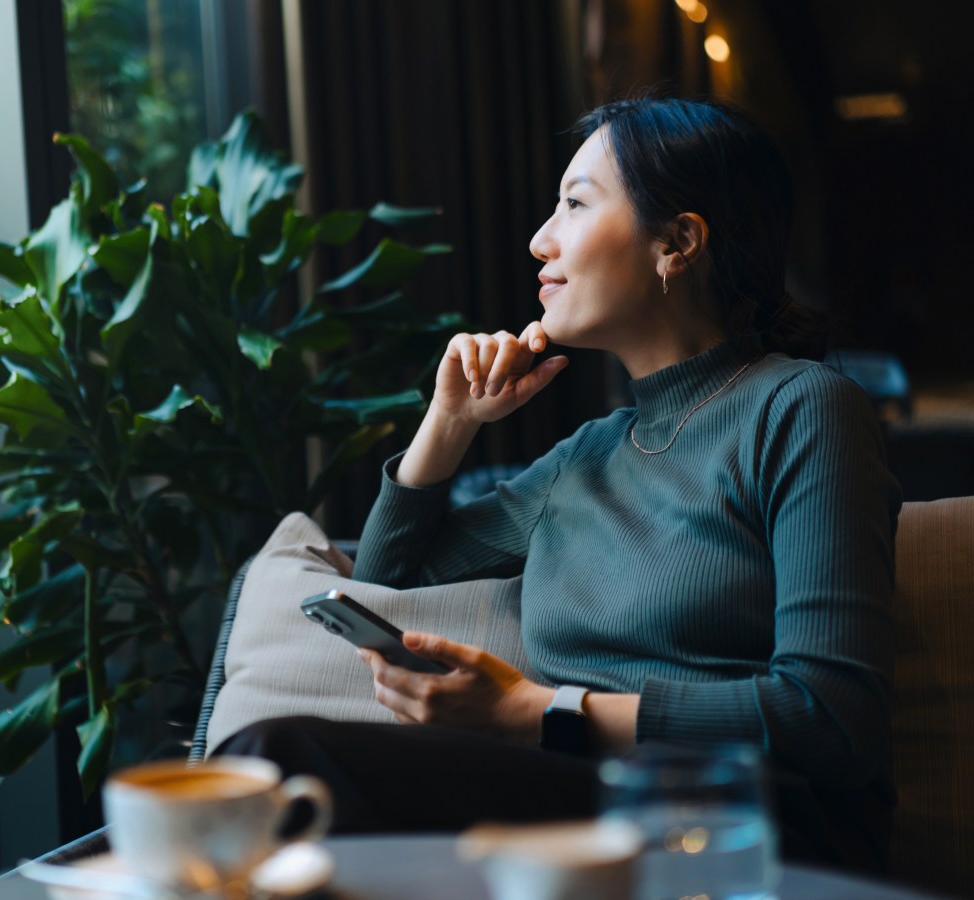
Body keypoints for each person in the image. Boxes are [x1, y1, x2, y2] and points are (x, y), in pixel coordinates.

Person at [216, 95, 901, 874]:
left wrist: (534, 713)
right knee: (264, 786)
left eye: (575, 204)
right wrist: (449, 421)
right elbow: (386, 582)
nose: (541, 240)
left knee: (281, 760)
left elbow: (835, 724)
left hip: (747, 822)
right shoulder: (586, 458)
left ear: (677, 242)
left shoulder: (804, 409)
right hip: (577, 807)